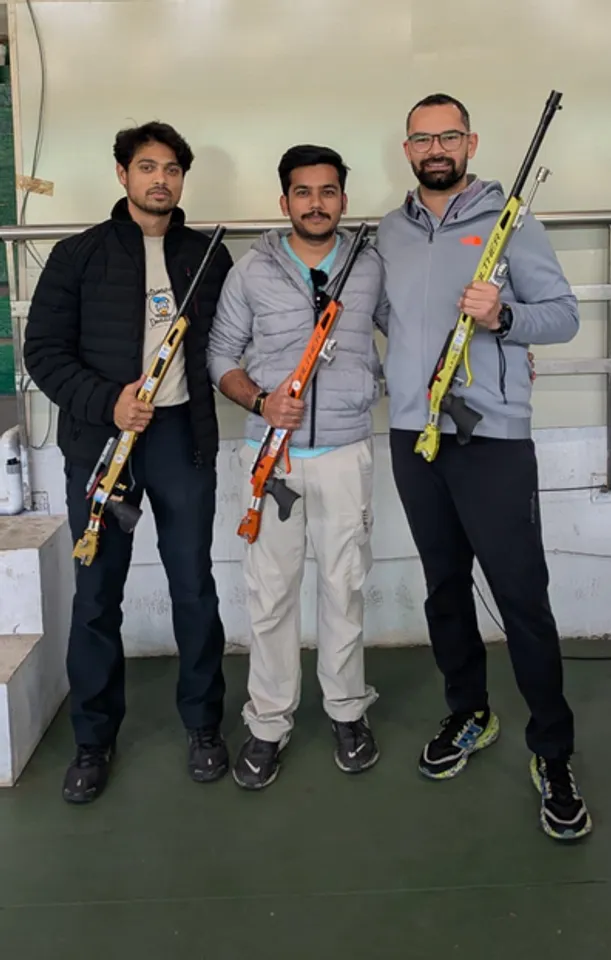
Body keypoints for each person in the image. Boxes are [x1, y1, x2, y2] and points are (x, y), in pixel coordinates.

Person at [375, 93, 593, 842]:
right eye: (421, 138)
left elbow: (561, 316)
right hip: (413, 435)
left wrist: (502, 318)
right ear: (406, 149)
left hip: (492, 439)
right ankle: (468, 712)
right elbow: (385, 320)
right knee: (442, 589)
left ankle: (553, 752)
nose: (435, 147)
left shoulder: (513, 225)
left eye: (448, 135)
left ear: (469, 142)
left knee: (521, 597)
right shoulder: (387, 235)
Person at [23, 121, 233, 804]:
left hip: (181, 439)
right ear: (122, 174)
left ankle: (204, 727)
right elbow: (44, 354)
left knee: (193, 588)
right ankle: (92, 741)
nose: (160, 180)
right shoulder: (76, 256)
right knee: (95, 598)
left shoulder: (208, 257)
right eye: (147, 167)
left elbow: (232, 343)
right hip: (100, 442)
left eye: (172, 169)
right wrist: (107, 402)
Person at [207, 144, 387, 790]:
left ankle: (345, 711)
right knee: (271, 594)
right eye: (303, 192)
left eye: (328, 191)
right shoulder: (250, 271)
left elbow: (410, 334)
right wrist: (259, 399)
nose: (316, 203)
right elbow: (219, 355)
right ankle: (268, 723)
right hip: (271, 459)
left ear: (342, 197)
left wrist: (497, 355)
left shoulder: (370, 266)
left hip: (345, 450)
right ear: (283, 202)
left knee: (344, 586)